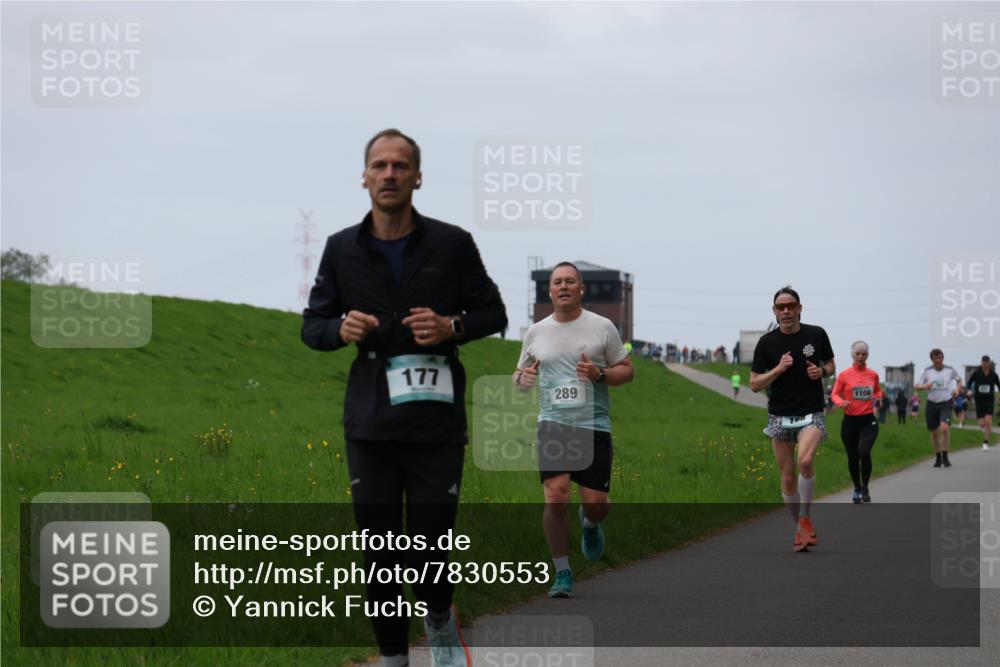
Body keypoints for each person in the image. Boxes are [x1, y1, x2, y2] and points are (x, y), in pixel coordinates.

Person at [302, 129, 507, 667]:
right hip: (369, 421)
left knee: (428, 550)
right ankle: (394, 658)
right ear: (364, 176)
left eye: (400, 166)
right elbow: (312, 326)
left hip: (435, 424)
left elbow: (494, 314)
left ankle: (438, 616)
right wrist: (340, 328)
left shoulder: (451, 244)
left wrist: (451, 325)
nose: (389, 174)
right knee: (379, 555)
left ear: (418, 177)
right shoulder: (342, 248)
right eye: (379, 165)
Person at [512, 262, 634, 598]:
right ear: (549, 291)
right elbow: (519, 376)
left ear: (582, 289)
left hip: (593, 423)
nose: (563, 287)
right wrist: (523, 380)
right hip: (553, 423)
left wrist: (599, 374)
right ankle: (562, 573)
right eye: (557, 282)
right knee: (556, 496)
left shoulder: (602, 327)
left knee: (595, 503)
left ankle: (591, 523)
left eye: (570, 281)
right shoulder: (536, 332)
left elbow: (627, 371)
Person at [750, 286, 835, 552]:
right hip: (779, 415)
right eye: (780, 307)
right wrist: (778, 368)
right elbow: (754, 383)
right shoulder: (767, 343)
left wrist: (821, 371)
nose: (786, 311)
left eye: (790, 306)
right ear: (774, 312)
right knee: (787, 477)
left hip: (811, 412)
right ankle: (800, 527)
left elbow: (832, 365)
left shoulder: (816, 334)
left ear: (800, 308)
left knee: (806, 460)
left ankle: (806, 518)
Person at [830, 341, 883, 503]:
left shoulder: (873, 375)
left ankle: (865, 486)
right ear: (852, 355)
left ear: (867, 355)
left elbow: (877, 391)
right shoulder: (844, 375)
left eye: (864, 354)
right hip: (850, 422)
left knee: (864, 452)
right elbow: (834, 394)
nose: (860, 356)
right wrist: (841, 403)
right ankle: (857, 488)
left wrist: (879, 399)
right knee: (853, 457)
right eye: (857, 354)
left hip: (868, 421)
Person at [914, 349, 963, 468]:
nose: (937, 359)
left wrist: (957, 390)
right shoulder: (927, 371)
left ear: (942, 358)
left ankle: (945, 457)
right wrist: (926, 386)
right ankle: (938, 457)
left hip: (946, 402)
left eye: (939, 356)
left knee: (945, 428)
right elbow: (917, 385)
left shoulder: (950, 370)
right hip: (932, 404)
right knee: (934, 433)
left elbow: (959, 380)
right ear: (932, 360)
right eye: (935, 357)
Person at [967, 355, 1000, 451]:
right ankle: (986, 430)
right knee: (982, 424)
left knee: (988, 421)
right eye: (983, 362)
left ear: (989, 363)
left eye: (987, 362)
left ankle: (985, 443)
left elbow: (999, 385)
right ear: (981, 363)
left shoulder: (994, 375)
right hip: (979, 400)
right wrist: (969, 390)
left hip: (989, 400)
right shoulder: (977, 373)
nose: (985, 364)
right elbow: (969, 382)